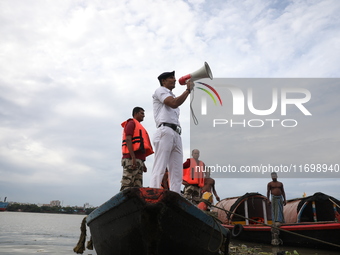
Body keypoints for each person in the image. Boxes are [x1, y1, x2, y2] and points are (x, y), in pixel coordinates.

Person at [149, 71, 194, 194]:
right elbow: (173, 104)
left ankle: (175, 195)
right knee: (160, 165)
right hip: (165, 131)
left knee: (176, 170)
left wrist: (187, 91)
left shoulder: (171, 95)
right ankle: (154, 192)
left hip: (175, 133)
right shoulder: (160, 90)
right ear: (163, 81)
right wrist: (187, 91)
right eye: (171, 78)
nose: (174, 80)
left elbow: (175, 102)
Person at [120, 107, 154, 191]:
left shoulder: (139, 126)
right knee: (127, 185)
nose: (144, 115)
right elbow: (128, 139)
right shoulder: (131, 123)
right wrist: (133, 158)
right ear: (135, 113)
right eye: (142, 113)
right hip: (130, 159)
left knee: (137, 187)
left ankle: (134, 204)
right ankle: (123, 203)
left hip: (139, 160)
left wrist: (143, 163)